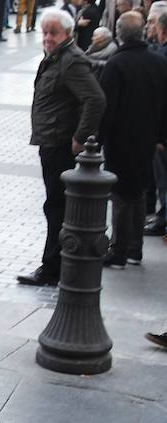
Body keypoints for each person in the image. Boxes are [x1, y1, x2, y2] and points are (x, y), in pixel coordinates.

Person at [17, 8, 105, 286]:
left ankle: (52, 268)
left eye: (53, 32)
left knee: (56, 207)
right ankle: (56, 264)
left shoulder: (71, 60)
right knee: (54, 206)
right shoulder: (56, 57)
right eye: (44, 32)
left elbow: (95, 99)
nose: (47, 37)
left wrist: (79, 137)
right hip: (50, 141)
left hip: (59, 143)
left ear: (67, 33)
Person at [99, 11, 167, 267]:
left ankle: (119, 250)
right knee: (138, 192)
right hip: (147, 138)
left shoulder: (117, 64)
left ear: (118, 33)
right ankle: (135, 249)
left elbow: (107, 107)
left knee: (120, 194)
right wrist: (160, 136)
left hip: (120, 139)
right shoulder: (159, 62)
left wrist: (98, 138)